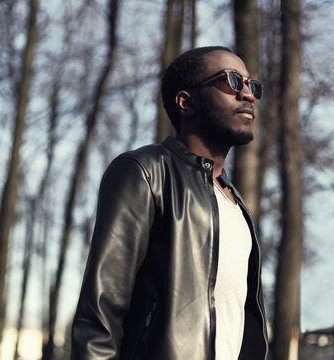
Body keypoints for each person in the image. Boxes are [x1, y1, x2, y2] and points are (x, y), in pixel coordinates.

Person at [71, 46, 268, 360]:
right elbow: (100, 315)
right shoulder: (145, 172)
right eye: (232, 81)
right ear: (185, 102)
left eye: (251, 84)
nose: (247, 94)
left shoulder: (237, 204)